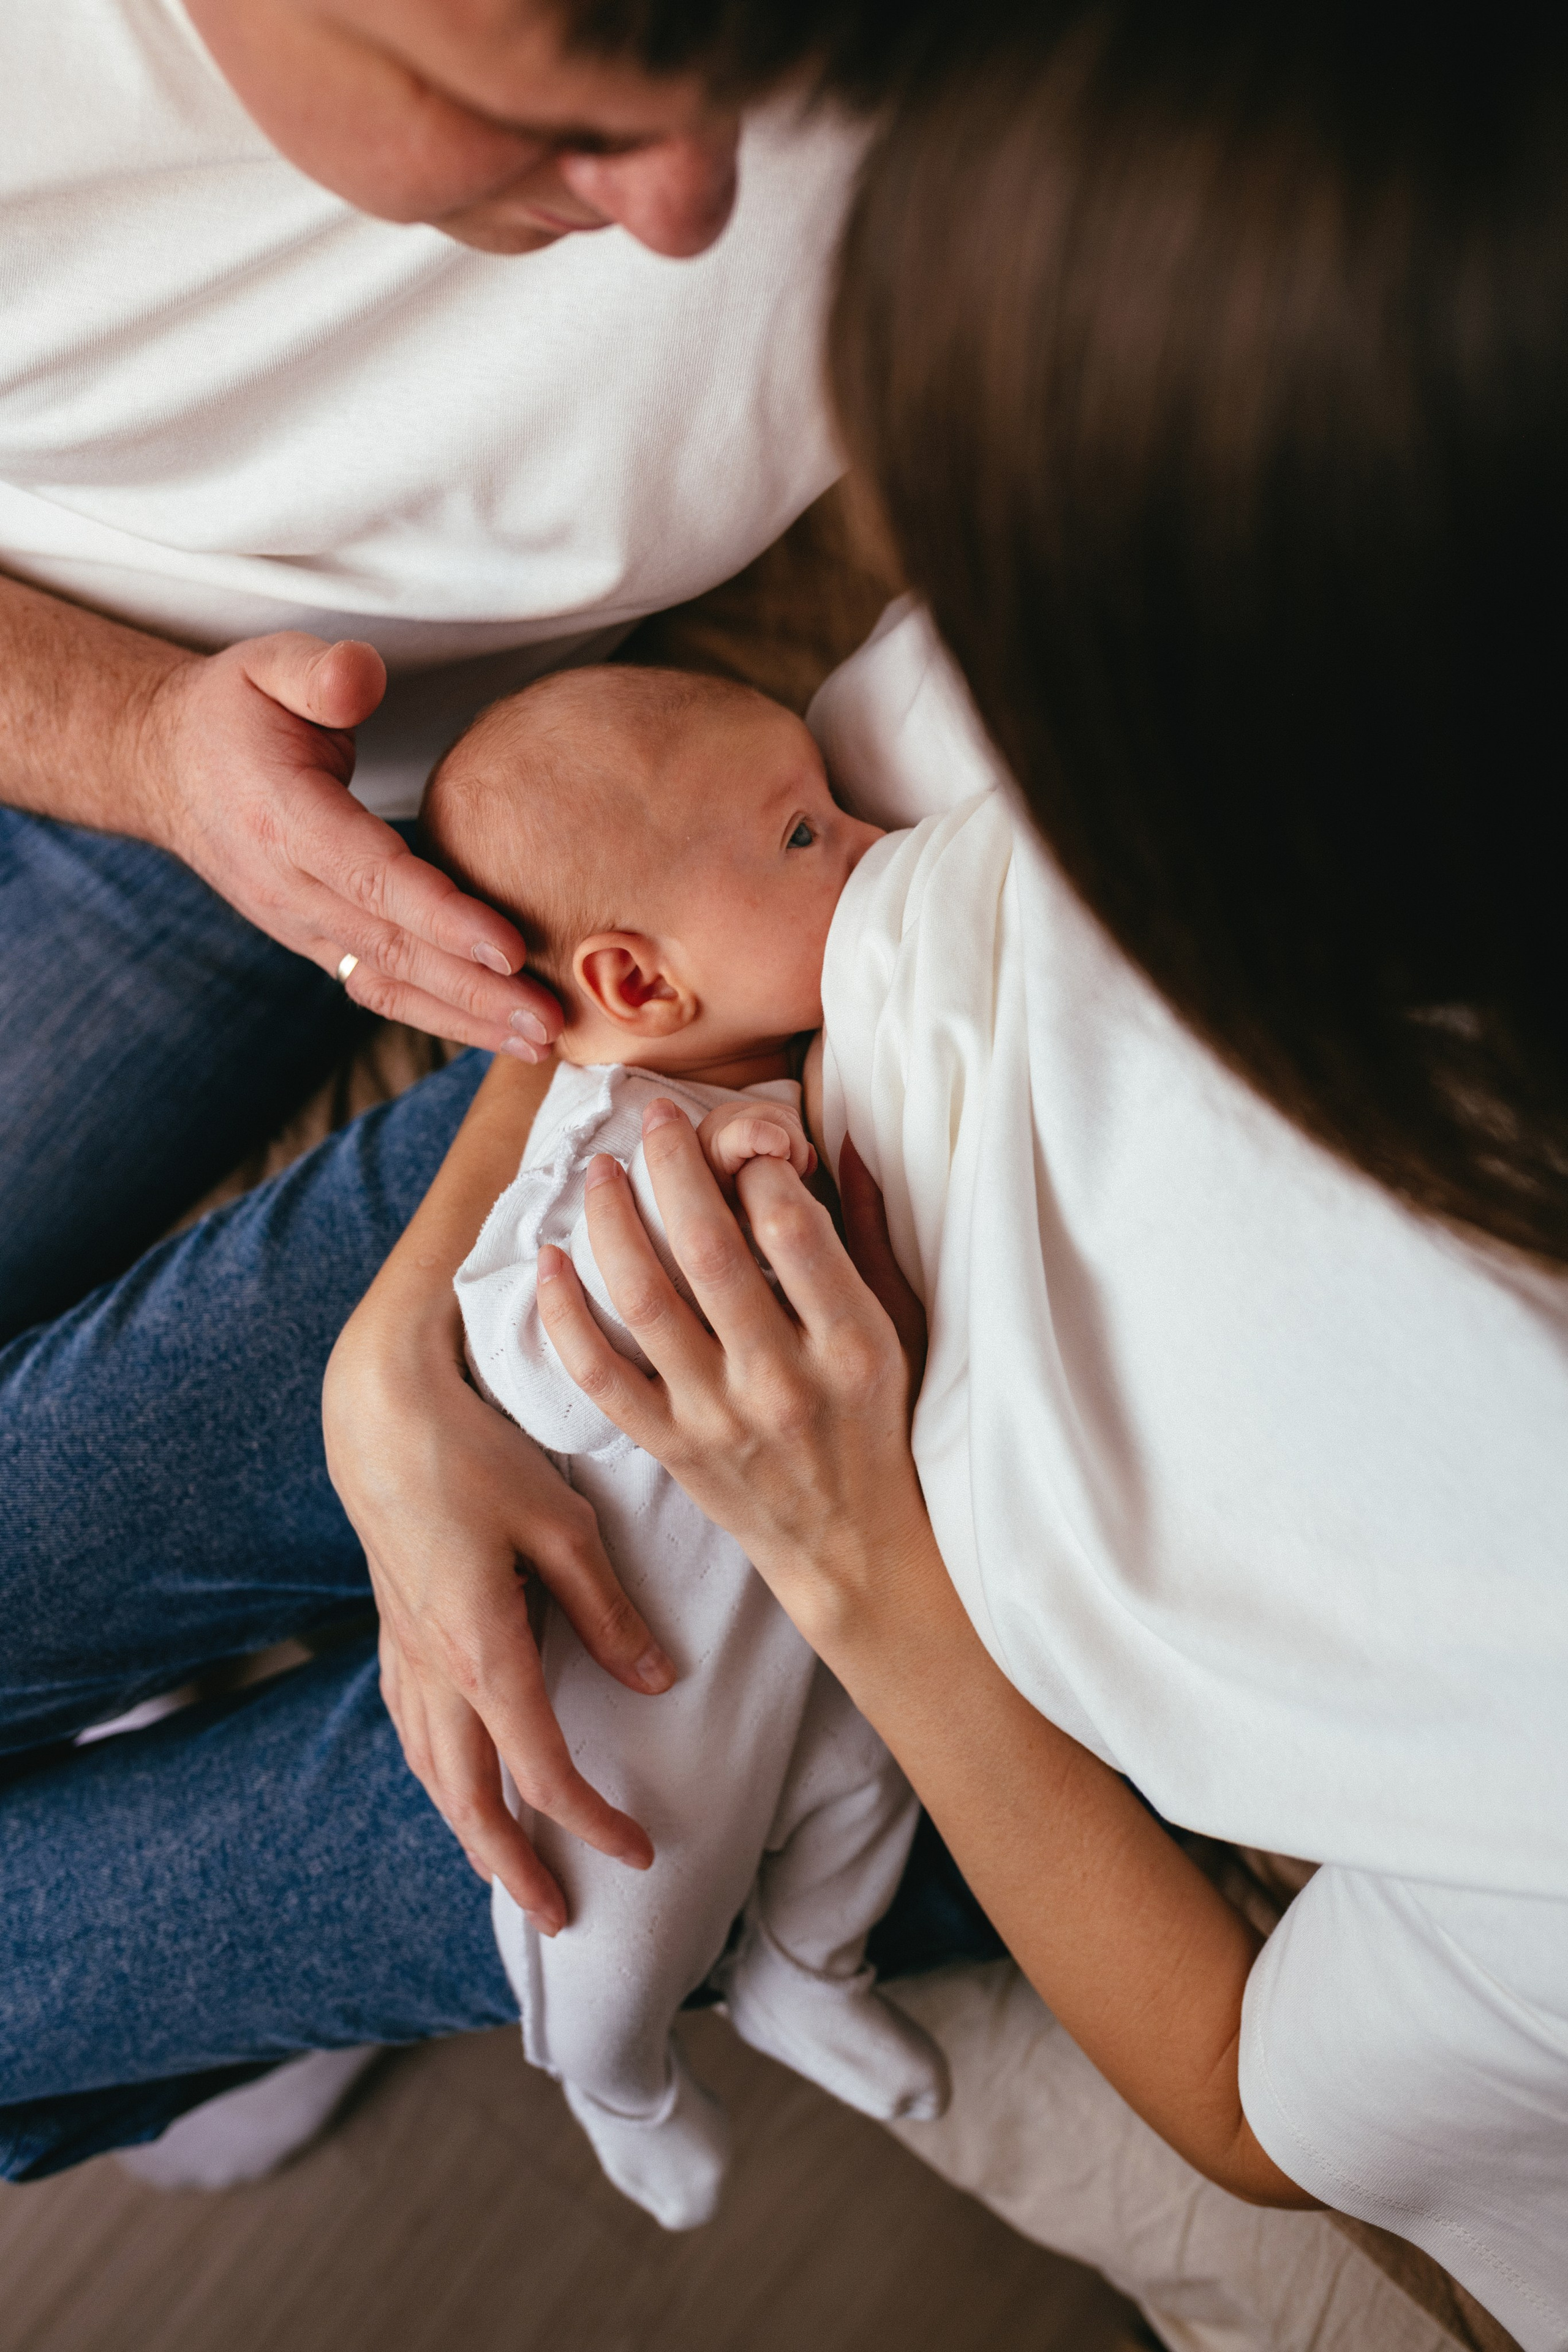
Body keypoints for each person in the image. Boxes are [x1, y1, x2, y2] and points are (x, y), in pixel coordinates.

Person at [480, 8, 1567, 2347]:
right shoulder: (1297, 475)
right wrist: (404, 1373)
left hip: (854, 1578)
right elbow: (685, 868)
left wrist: (856, 1559)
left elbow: (1248, 2104)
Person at [0, 0, 946, 2181]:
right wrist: (138, 746)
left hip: (402, 818)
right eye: (564, 116)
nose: (691, 209)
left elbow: (679, 864)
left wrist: (404, 1335)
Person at [432, 666, 941, 2228]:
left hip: (807, 1620)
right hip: (638, 1691)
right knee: (616, 1934)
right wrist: (675, 1199)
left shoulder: (796, 1067)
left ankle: (805, 1969)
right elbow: (521, 1349)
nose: (862, 841)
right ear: (637, 985)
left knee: (872, 1780)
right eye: (805, 832)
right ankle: (615, 2080)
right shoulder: (603, 1132)